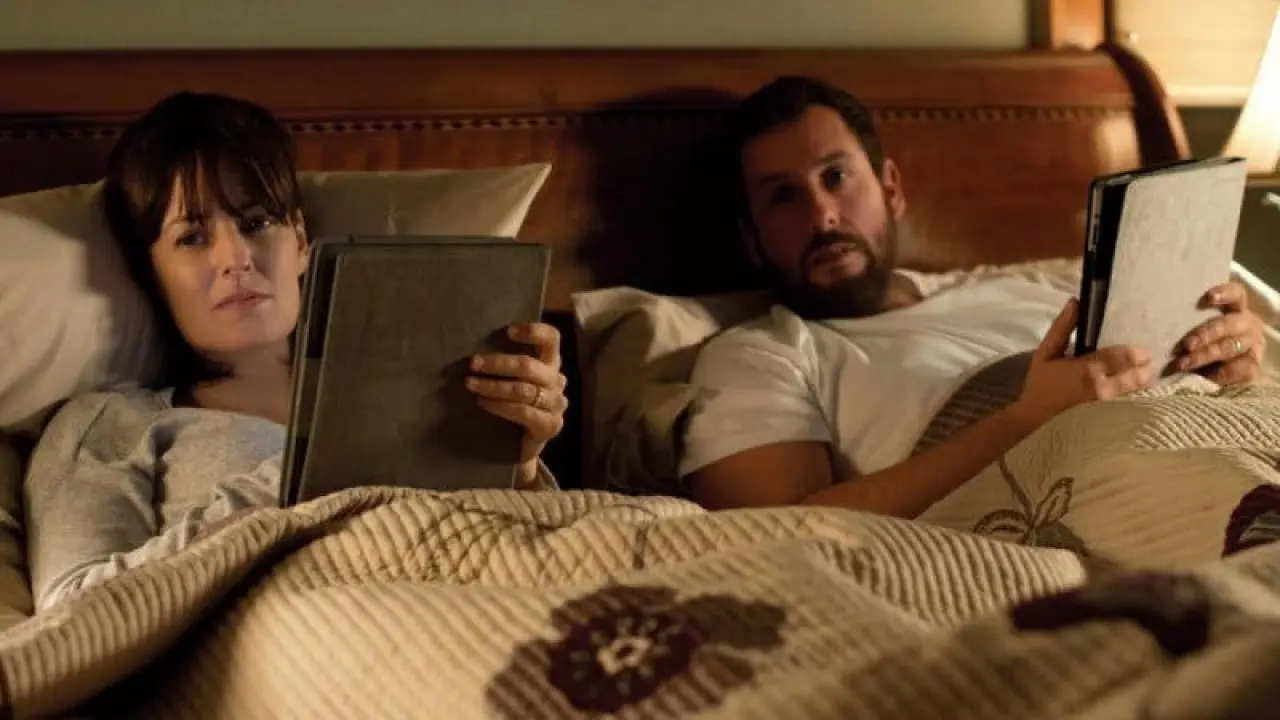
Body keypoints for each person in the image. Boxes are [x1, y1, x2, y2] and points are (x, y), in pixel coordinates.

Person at [22, 92, 569, 611]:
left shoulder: (426, 393)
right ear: (151, 274)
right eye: (192, 237)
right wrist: (299, 477)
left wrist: (519, 464)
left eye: (257, 222)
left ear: (301, 242)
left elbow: (531, 559)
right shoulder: (113, 425)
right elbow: (73, 612)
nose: (236, 257)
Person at [678, 76, 1267, 518]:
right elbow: (782, 528)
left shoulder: (1040, 286)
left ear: (890, 188)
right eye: (783, 197)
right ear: (750, 237)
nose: (822, 215)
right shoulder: (763, 353)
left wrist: (1225, 358)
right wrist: (1027, 422)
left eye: (836, 177)